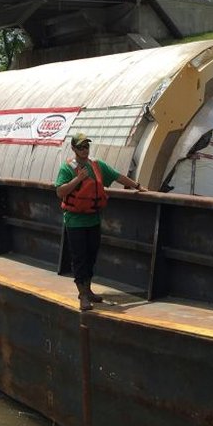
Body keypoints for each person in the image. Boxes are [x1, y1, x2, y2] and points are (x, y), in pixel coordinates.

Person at [55, 132, 145, 311]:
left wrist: (138, 186)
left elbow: (117, 176)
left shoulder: (97, 165)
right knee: (79, 258)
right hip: (75, 221)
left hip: (93, 219)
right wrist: (78, 179)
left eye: (86, 146)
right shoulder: (67, 169)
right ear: (73, 149)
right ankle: (82, 295)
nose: (84, 150)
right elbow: (60, 192)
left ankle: (88, 290)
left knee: (91, 256)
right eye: (80, 147)